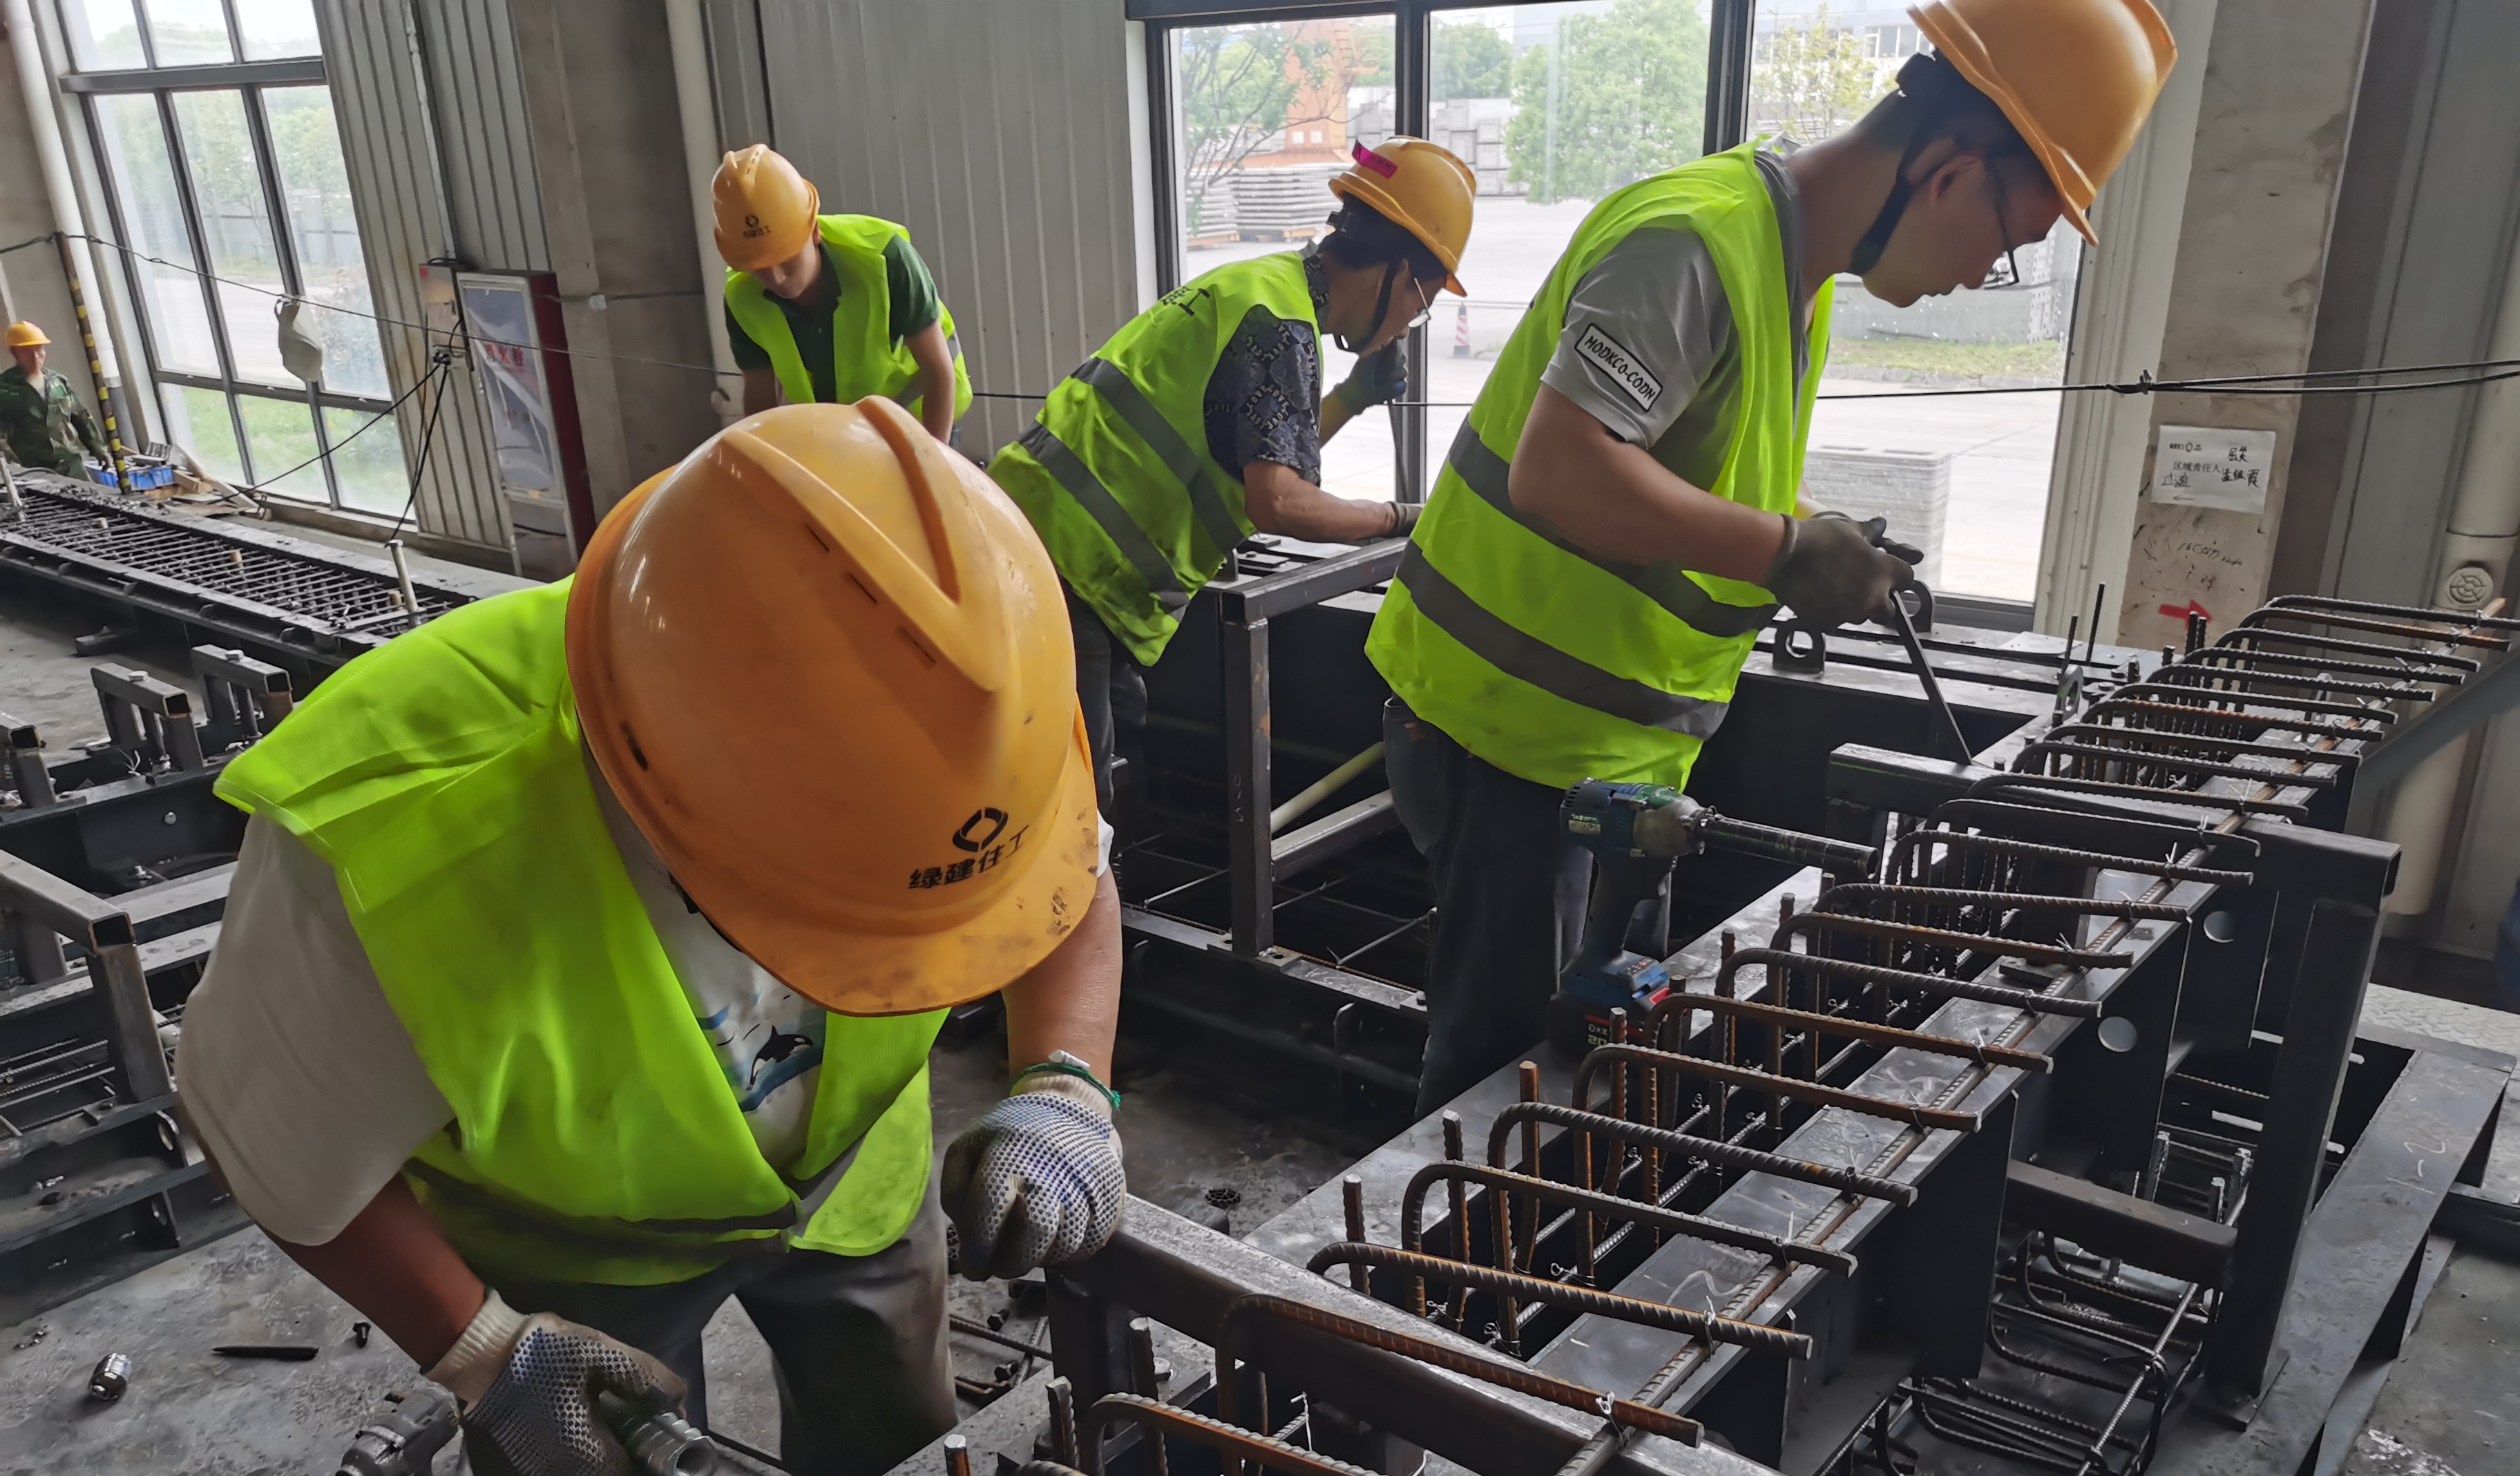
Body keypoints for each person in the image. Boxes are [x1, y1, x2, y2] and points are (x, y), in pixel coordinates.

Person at [175, 401, 1125, 1476]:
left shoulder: (972, 715)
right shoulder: (389, 842)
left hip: (854, 1177)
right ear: (666, 803)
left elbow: (1060, 889)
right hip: (581, 1245)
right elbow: (274, 1147)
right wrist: (482, 1351)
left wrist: (1065, 1084)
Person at [1368, 0, 2176, 1111]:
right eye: (2005, 250)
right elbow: (1561, 469)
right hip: (1510, 741)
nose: (1980, 274)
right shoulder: (1693, 241)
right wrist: (1787, 550)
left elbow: (1693, 458)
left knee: (1588, 1064)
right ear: (1949, 173)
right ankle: (1453, 1234)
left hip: (1613, 756)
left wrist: (1815, 531)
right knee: (1504, 1091)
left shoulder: (1797, 272)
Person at [991, 137, 1477, 813]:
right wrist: (1398, 518)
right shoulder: (1279, 325)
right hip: (1067, 570)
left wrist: (1350, 398)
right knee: (1069, 809)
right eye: (1419, 309)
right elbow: (1278, 502)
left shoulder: (1264, 288)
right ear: (1401, 274)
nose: (1406, 328)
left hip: (1039, 546)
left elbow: (1251, 452)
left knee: (1104, 771)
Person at [714, 145, 972, 444]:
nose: (776, 279)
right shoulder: (742, 299)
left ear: (814, 231)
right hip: (837, 438)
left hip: (921, 424)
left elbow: (938, 373)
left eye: (786, 260)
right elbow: (760, 406)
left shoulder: (884, 260)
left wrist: (929, 461)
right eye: (758, 268)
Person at [0, 320, 105, 475]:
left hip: (70, 462)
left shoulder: (58, 382)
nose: (35, 357)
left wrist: (98, 448)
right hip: (33, 467)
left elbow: (80, 415)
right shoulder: (4, 388)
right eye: (27, 352)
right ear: (15, 353)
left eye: (39, 350)